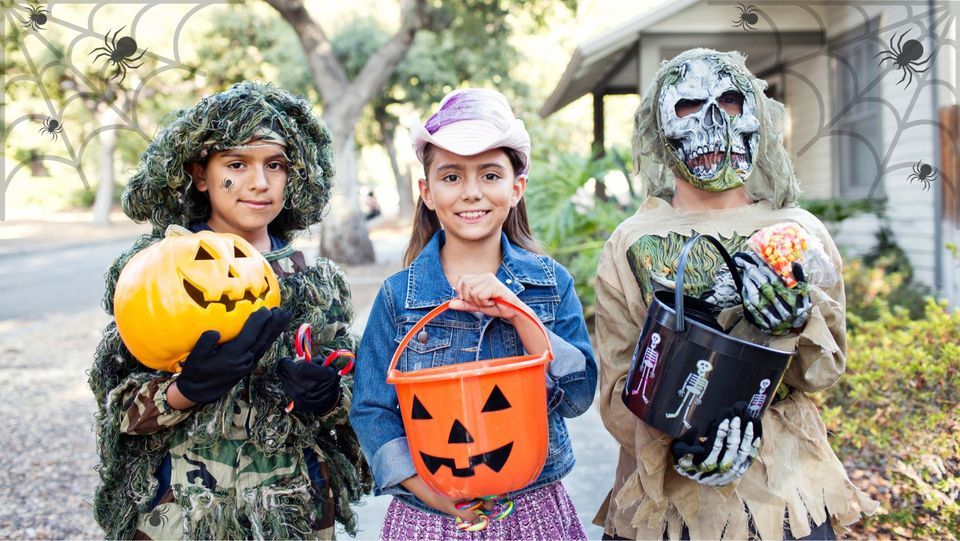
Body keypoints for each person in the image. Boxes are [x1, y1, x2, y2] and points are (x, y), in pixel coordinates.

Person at [593, 49, 877, 540]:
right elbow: (619, 391)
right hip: (668, 509)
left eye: (729, 101)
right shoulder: (631, 243)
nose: (712, 121)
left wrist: (793, 322)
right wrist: (679, 440)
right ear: (660, 129)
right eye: (687, 107)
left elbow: (823, 369)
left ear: (756, 117)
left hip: (785, 495)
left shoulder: (799, 232)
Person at [89, 81, 371, 539]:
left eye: (275, 165)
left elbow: (359, 397)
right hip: (181, 513)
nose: (259, 183)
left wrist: (328, 396)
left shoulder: (318, 285)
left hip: (292, 514)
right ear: (201, 175)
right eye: (236, 164)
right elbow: (117, 412)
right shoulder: (153, 273)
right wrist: (186, 389)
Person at [350, 88, 597, 540]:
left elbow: (579, 395)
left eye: (489, 174)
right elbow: (371, 410)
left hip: (534, 509)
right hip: (431, 515)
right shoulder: (397, 298)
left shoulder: (549, 283)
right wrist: (427, 491)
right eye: (451, 177)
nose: (471, 193)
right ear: (426, 192)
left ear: (516, 188)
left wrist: (520, 314)